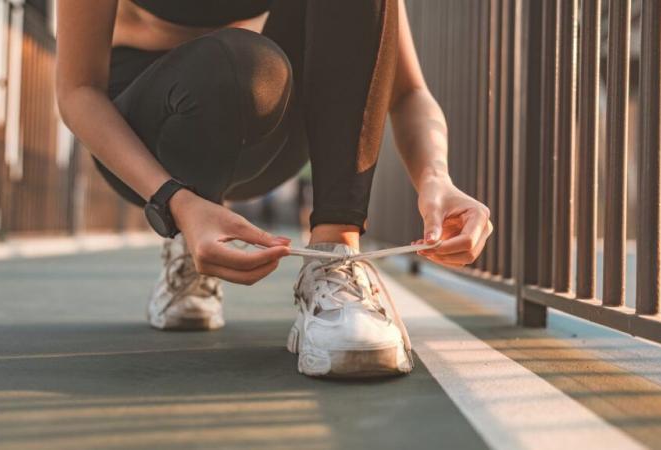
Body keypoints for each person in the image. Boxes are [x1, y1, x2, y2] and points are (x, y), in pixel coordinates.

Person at [55, 0, 492, 378]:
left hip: (265, 120)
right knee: (232, 63)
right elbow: (78, 91)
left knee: (251, 66)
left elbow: (406, 88)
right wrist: (175, 200)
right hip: (146, 141)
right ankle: (185, 240)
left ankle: (334, 258)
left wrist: (437, 179)